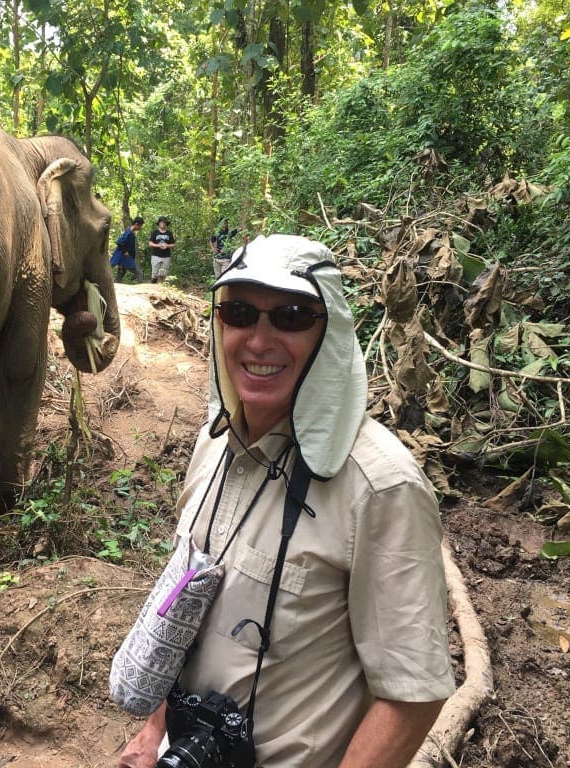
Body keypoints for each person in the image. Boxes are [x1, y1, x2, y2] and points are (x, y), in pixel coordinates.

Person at [117, 234, 455, 768]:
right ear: (219, 323)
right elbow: (187, 608)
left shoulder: (381, 487)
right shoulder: (212, 444)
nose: (259, 339)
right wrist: (154, 730)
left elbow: (412, 693)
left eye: (293, 316)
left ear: (331, 335)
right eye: (241, 312)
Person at [111, 216, 145, 282]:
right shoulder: (128, 232)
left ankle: (116, 285)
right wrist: (125, 252)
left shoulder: (130, 232)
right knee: (139, 273)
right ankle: (142, 289)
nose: (140, 228)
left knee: (121, 273)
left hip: (125, 259)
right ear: (136, 224)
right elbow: (120, 242)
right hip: (125, 258)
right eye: (140, 226)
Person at [148, 216, 176, 283]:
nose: (163, 224)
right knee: (154, 274)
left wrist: (167, 245)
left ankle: (162, 289)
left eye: (164, 222)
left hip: (166, 256)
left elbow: (173, 244)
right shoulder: (155, 232)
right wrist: (158, 245)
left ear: (166, 223)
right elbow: (150, 243)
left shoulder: (169, 233)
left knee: (164, 274)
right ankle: (153, 287)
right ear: (159, 223)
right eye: (161, 222)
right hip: (156, 255)